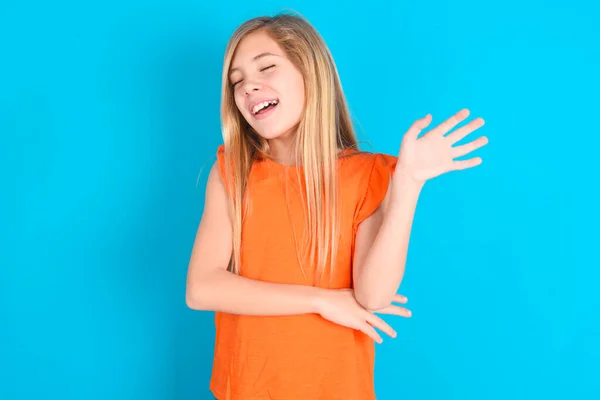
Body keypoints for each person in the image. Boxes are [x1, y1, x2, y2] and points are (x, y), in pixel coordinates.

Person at [185, 11, 487, 400]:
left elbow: (373, 296)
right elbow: (201, 288)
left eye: (266, 68)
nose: (248, 87)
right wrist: (321, 301)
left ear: (310, 73)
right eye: (237, 81)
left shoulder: (368, 175)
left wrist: (408, 184)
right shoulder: (231, 171)